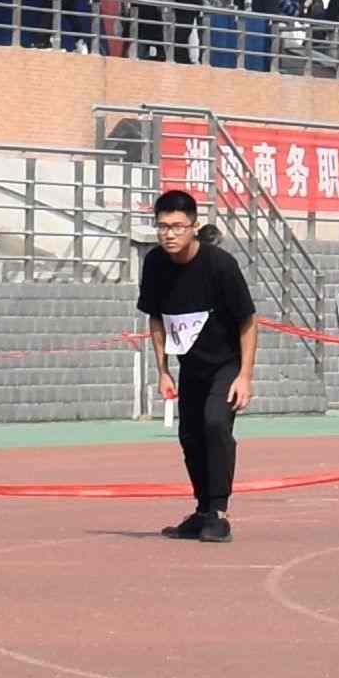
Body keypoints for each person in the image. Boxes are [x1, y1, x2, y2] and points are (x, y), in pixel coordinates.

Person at [138, 186, 258, 542]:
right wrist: (162, 371)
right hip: (190, 365)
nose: (169, 234)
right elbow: (156, 319)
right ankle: (202, 509)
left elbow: (248, 321)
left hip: (226, 364)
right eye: (162, 226)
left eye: (177, 226)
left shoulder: (220, 266)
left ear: (193, 227)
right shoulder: (155, 263)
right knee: (189, 436)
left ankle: (218, 513)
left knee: (215, 423)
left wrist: (245, 376)